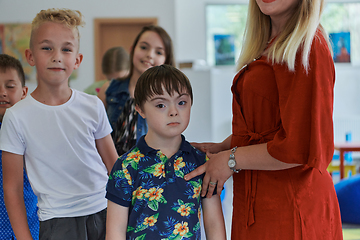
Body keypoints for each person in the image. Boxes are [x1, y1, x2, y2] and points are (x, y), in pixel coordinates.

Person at [184, 0, 343, 239]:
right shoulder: (269, 44)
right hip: (258, 198)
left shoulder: (309, 45)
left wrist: (229, 159)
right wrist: (221, 148)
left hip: (292, 204)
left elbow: (299, 146)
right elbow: (267, 128)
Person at [0, 9, 118, 240]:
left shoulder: (93, 105)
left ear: (77, 60)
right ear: (30, 56)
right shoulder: (16, 117)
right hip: (56, 222)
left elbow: (114, 165)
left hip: (106, 212)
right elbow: (12, 189)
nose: (57, 56)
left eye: (66, 49)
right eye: (47, 48)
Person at [105, 65, 226, 240]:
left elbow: (214, 224)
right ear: (140, 109)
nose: (174, 111)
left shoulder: (202, 163)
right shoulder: (126, 166)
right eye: (161, 105)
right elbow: (115, 231)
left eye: (181, 102)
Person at [98, 25, 175, 156]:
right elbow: (94, 135)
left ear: (165, 60)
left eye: (159, 52)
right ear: (132, 50)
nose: (149, 55)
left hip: (147, 172)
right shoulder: (108, 89)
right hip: (109, 172)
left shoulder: (169, 99)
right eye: (144, 47)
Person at [0, 54, 39, 239]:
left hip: (29, 225)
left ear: (24, 92)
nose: (2, 92)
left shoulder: (31, 130)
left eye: (10, 86)